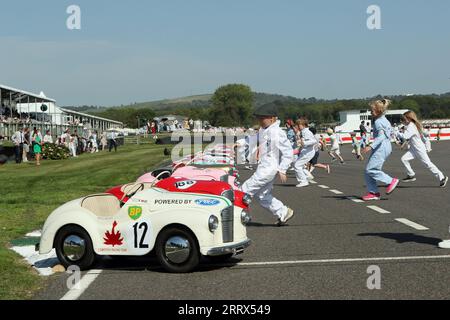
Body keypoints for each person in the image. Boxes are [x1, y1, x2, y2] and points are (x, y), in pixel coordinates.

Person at [241, 102, 294, 226]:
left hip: (268, 169)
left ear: (272, 118)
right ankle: (283, 211)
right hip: (264, 167)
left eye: (262, 118)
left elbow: (288, 152)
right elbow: (252, 139)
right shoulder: (264, 130)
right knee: (263, 196)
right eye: (258, 118)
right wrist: (240, 143)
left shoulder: (277, 132)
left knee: (244, 190)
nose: (259, 121)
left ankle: (236, 217)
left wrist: (282, 169)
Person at [396, 111, 448, 187]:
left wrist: (396, 133)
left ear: (409, 118)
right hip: (414, 148)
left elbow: (405, 136)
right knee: (404, 159)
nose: (403, 120)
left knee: (428, 164)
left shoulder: (411, 126)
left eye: (404, 118)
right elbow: (407, 138)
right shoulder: (411, 125)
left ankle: (442, 177)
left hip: (419, 148)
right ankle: (411, 175)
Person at [361, 99, 399, 201]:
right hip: (385, 147)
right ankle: (373, 192)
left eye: (372, 110)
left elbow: (381, 137)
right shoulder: (385, 120)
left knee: (371, 170)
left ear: (378, 111)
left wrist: (370, 146)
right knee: (368, 171)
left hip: (381, 147)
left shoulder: (378, 122)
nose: (370, 112)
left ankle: (391, 181)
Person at [294, 118, 318, 188]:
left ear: (303, 125)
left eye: (298, 125)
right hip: (306, 151)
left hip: (308, 152)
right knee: (298, 165)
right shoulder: (304, 131)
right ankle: (308, 176)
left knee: (297, 165)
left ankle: (303, 181)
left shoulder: (306, 132)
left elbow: (313, 141)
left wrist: (303, 143)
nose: (297, 127)